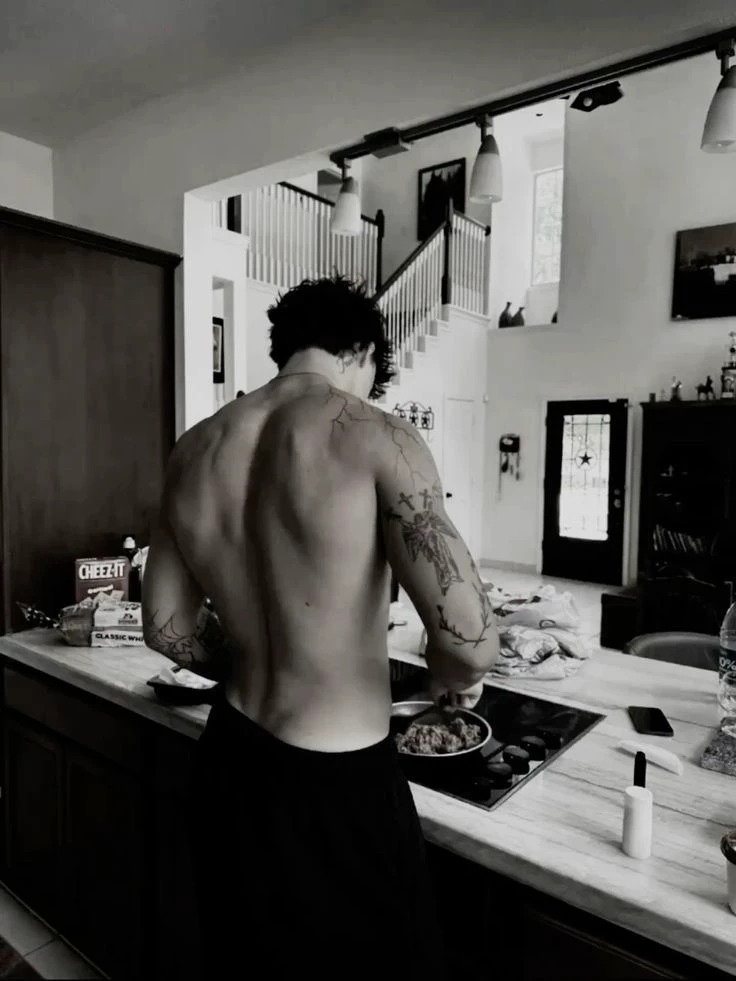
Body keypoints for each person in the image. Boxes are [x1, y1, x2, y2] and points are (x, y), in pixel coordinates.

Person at [142, 274, 499, 975]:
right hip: (337, 787)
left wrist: (259, 658)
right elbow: (469, 641)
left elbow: (165, 623)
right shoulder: (379, 436)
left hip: (229, 761)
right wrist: (451, 676)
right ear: (361, 351)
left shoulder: (194, 447)